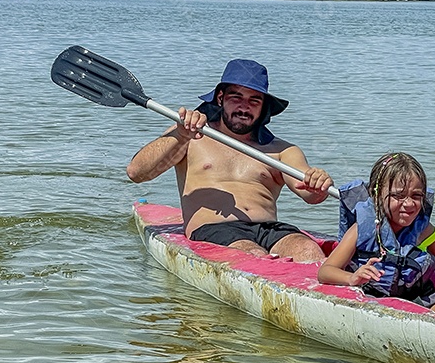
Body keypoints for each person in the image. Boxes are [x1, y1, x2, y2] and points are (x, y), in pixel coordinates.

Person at [126, 58, 333, 262]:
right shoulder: (190, 135)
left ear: (263, 108)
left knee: (308, 250)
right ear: (220, 98)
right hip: (214, 229)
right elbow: (136, 173)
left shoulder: (281, 150)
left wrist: (318, 182)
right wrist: (180, 135)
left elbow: (310, 195)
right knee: (251, 254)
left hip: (269, 229)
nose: (244, 107)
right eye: (236, 97)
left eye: (254, 100)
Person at [318, 153, 435, 320]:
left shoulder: (424, 231)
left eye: (416, 196)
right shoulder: (361, 229)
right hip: (372, 301)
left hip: (416, 302)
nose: (409, 204)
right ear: (377, 196)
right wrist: (352, 278)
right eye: (398, 196)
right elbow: (325, 272)